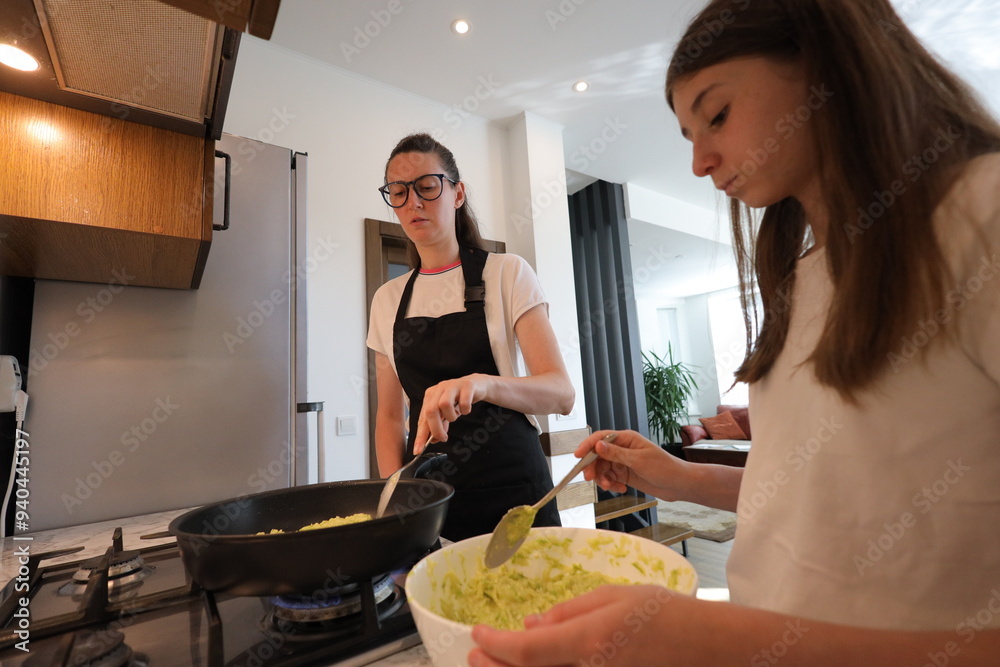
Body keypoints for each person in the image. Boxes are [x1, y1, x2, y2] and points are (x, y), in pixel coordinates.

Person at [469, 0, 1000, 664]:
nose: (699, 162)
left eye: (715, 115)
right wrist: (678, 476)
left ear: (826, 65)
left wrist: (712, 638)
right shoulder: (803, 279)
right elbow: (817, 493)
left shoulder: (981, 214)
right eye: (688, 135)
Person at [367, 133, 575, 542]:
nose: (413, 202)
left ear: (457, 193)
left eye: (427, 186)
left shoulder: (507, 273)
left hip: (515, 488)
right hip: (431, 497)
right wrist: (395, 498)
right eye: (398, 191)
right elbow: (390, 418)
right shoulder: (386, 300)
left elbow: (561, 394)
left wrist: (480, 384)